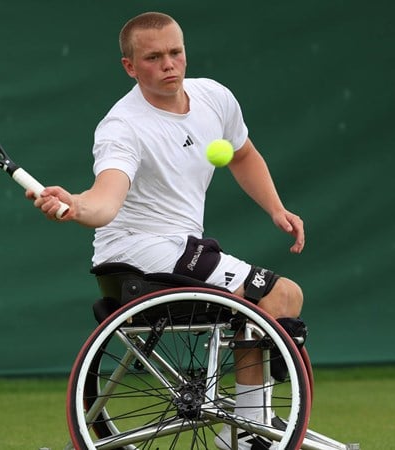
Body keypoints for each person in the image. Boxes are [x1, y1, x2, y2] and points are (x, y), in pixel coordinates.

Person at [27, 11, 305, 449]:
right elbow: (106, 200)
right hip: (137, 253)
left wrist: (276, 208)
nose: (169, 65)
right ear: (130, 66)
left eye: (176, 52)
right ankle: (248, 434)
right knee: (280, 295)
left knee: (270, 303)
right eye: (154, 57)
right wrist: (75, 205)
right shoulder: (122, 127)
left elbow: (243, 154)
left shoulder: (214, 98)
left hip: (182, 247)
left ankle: (249, 426)